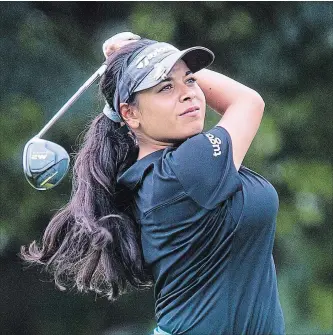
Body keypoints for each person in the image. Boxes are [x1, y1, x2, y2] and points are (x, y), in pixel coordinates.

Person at [21, 32, 285, 335]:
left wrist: (149, 54)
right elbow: (247, 102)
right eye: (165, 87)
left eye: (190, 80)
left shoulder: (162, 171)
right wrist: (141, 46)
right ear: (130, 114)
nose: (187, 93)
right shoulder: (187, 169)